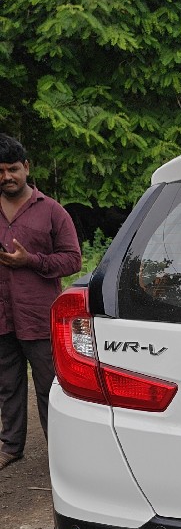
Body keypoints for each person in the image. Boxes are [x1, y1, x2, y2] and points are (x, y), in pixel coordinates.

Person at [0, 135, 81, 469]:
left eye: (13, 169)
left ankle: (59, 452)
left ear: (27, 167)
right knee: (8, 385)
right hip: (3, 316)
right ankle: (11, 446)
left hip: (39, 316)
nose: (7, 176)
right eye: (0, 171)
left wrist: (30, 260)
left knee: (50, 387)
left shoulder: (51, 211)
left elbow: (73, 260)